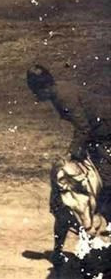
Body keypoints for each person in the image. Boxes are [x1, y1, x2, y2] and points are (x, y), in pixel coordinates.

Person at [27, 64, 111, 224]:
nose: (36, 96)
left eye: (36, 92)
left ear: (43, 88)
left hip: (104, 131)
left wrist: (71, 153)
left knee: (105, 179)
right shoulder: (60, 90)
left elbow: (83, 128)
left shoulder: (64, 97)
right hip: (99, 132)